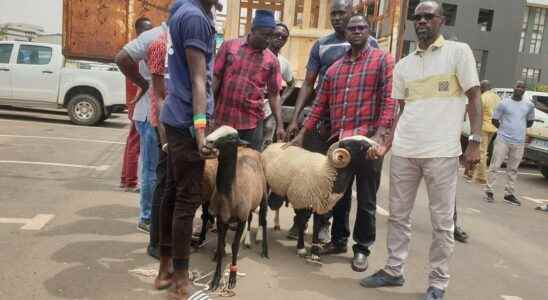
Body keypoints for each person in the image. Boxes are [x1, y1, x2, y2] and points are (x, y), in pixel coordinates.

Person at [360, 2, 482, 300]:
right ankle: (393, 269)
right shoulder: (404, 65)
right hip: (405, 151)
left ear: (441, 20)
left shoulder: (459, 52)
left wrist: (475, 141)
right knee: (399, 216)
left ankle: (438, 283)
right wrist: (388, 144)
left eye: (430, 16)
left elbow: (474, 98)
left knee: (442, 223)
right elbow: (400, 111)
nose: (423, 21)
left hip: (441, 152)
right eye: (419, 17)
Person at [289, 14, 395, 273]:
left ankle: (361, 249)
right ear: (345, 33)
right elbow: (319, 106)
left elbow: (390, 100)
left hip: (368, 143)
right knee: (338, 196)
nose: (357, 31)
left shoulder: (382, 60)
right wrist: (302, 132)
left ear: (368, 32)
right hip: (341, 145)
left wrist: (381, 136)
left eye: (362, 28)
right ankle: (338, 241)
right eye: (352, 28)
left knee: (368, 198)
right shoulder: (335, 70)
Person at [284, 0, 379, 242]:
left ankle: (331, 230)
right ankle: (302, 221)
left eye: (341, 13)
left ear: (352, 14)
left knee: (347, 187)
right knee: (314, 176)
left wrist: (380, 131)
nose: (337, 18)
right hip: (322, 123)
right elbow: (309, 83)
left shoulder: (372, 45)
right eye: (333, 14)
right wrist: (296, 119)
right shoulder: (322, 45)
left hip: (357, 124)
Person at [156, 0, 218, 298]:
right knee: (186, 199)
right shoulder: (194, 18)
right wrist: (202, 131)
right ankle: (180, 280)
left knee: (171, 194)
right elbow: (197, 79)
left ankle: (166, 269)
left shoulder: (182, 12)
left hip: (174, 116)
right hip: (186, 121)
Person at [115, 21, 166, 233]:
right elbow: (122, 59)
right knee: (151, 169)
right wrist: (144, 84)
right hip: (148, 114)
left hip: (158, 114)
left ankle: (155, 213)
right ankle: (146, 217)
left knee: (158, 169)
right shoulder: (154, 41)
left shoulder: (162, 41)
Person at [212, 10, 285, 150]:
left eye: (271, 35)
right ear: (253, 30)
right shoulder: (229, 46)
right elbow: (216, 78)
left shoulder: (272, 61)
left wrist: (280, 125)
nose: (269, 40)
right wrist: (207, 111)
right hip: (223, 119)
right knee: (219, 163)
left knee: (249, 164)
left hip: (251, 125)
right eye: (265, 35)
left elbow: (274, 94)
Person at [484, 81, 535, 206]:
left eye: (522, 87)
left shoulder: (529, 105)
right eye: (518, 86)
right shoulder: (504, 103)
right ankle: (489, 191)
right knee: (495, 166)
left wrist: (518, 129)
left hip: (519, 141)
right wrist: (504, 130)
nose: (520, 88)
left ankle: (509, 194)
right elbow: (495, 119)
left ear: (524, 90)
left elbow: (529, 122)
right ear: (514, 87)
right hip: (503, 139)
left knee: (513, 169)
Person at [120, 17, 153, 192]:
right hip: (139, 103)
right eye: (147, 30)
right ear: (139, 31)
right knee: (136, 143)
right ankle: (131, 181)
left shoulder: (135, 48)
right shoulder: (138, 50)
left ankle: (126, 178)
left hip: (138, 102)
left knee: (132, 141)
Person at [263, 22, 295, 148]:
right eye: (277, 34)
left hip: (270, 107)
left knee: (267, 142)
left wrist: (281, 100)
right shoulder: (259, 54)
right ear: (270, 35)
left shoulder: (283, 63)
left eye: (284, 37)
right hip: (253, 105)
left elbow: (291, 83)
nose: (280, 38)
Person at [466, 80, 500, 183]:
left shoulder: (482, 97)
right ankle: (474, 174)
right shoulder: (497, 98)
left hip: (484, 127)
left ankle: (481, 177)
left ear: (482, 88)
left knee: (481, 152)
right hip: (494, 128)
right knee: (485, 151)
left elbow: (477, 113)